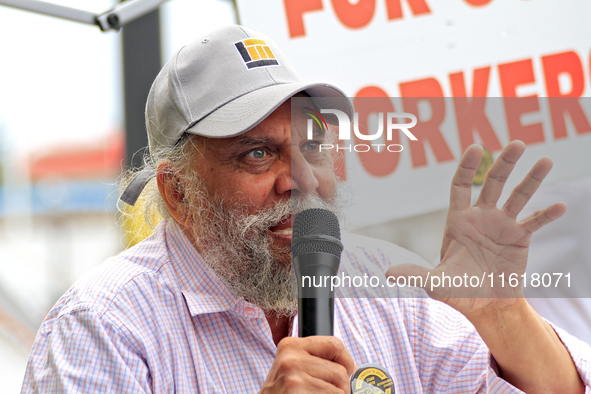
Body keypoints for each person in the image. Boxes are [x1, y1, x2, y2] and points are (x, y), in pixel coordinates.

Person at [22, 25, 590, 393]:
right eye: (258, 152)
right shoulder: (104, 326)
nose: (300, 180)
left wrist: (503, 316)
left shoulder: (385, 284)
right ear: (179, 192)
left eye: (313, 146)